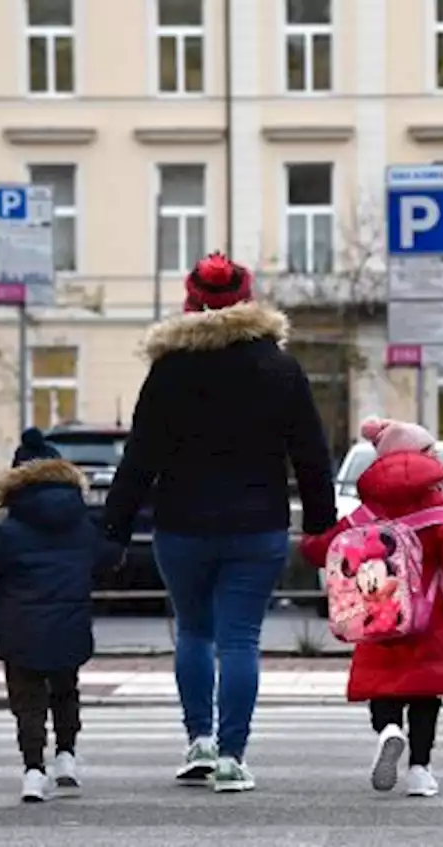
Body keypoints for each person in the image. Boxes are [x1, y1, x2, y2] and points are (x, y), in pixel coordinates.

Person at [101, 252, 337, 793]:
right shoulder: (279, 368)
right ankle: (232, 756)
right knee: (239, 640)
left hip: (182, 524)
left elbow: (140, 457)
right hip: (258, 526)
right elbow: (311, 454)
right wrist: (322, 524)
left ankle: (198, 741)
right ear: (246, 300)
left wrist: (113, 528)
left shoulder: (169, 370)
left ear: (192, 301)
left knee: (194, 631)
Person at [301, 417, 443, 798]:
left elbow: (319, 550)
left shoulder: (367, 512)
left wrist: (311, 536)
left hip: (377, 616)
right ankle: (420, 770)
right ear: (424, 457)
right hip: (430, 621)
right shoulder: (439, 511)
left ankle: (388, 729)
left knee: (382, 687)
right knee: (425, 695)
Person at [0, 428, 123, 802]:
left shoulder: (9, 533)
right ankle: (67, 757)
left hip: (18, 629)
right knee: (65, 691)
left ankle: (33, 771)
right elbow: (106, 559)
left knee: (28, 702)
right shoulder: (82, 527)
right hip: (70, 625)